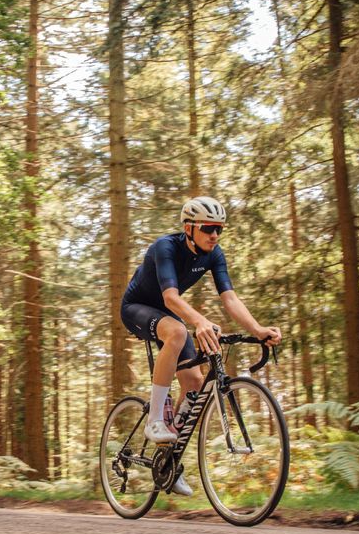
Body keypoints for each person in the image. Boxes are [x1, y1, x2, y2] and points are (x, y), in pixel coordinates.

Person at [120, 195, 282, 495]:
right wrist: (200, 321)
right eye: (208, 228)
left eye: (219, 228)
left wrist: (258, 330)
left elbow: (230, 298)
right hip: (137, 307)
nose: (214, 235)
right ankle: (154, 420)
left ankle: (169, 460)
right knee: (179, 331)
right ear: (189, 227)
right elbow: (170, 298)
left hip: (169, 316)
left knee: (194, 384)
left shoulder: (214, 254)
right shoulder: (165, 247)